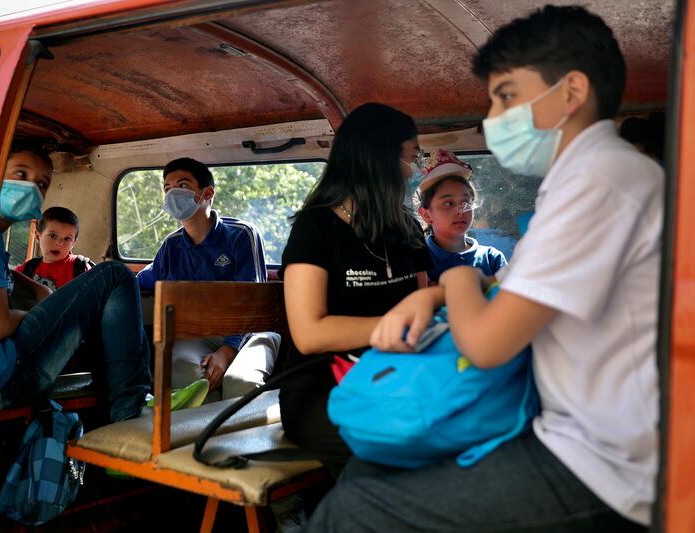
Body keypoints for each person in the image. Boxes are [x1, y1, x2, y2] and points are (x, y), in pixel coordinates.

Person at [307, 6, 659, 532]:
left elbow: (487, 343)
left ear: (572, 91)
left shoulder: (600, 181)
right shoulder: (584, 180)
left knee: (349, 512)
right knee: (365, 467)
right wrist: (445, 294)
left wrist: (453, 280)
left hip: (607, 463)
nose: (495, 117)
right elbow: (515, 288)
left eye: (508, 96)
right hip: (568, 425)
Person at [279, 102, 433, 476]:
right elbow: (309, 334)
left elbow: (426, 307)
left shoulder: (407, 231)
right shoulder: (315, 229)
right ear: (381, 159)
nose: (414, 170)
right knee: (397, 451)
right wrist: (397, 325)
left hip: (393, 375)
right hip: (321, 388)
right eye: (412, 156)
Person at [0, 143, 151, 423]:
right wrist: (29, 315)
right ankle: (130, 412)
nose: (31, 187)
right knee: (114, 275)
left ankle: (123, 406)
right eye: (20, 174)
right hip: (1, 374)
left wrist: (37, 289)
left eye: (42, 183)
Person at [136, 157, 279, 400]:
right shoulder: (171, 246)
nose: (173, 194)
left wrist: (227, 350)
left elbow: (252, 303)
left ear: (207, 192)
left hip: (251, 331)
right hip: (198, 333)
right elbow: (146, 278)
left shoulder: (241, 235)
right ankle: (199, 438)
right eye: (167, 189)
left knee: (240, 383)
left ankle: (239, 438)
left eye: (182, 185)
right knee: (185, 377)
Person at [416, 148, 507, 282]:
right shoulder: (417, 261)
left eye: (465, 202)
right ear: (426, 215)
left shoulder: (492, 259)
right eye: (448, 204)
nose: (460, 211)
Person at [15, 206, 93, 291]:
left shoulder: (81, 269)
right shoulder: (26, 270)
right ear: (38, 236)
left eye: (67, 239)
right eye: (53, 236)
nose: (59, 243)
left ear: (73, 243)